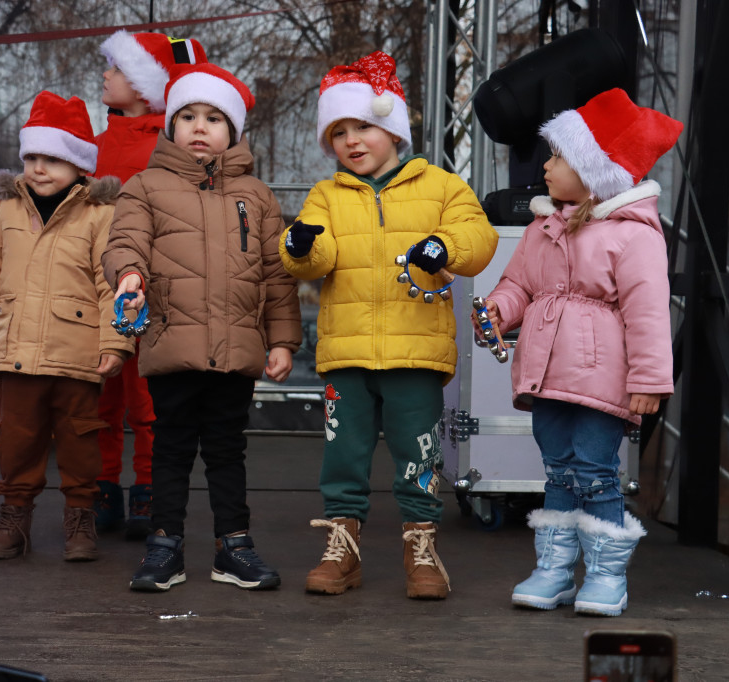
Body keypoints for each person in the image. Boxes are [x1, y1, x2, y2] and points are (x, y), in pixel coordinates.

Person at [279, 51, 498, 599]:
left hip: (415, 352)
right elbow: (311, 258)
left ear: (394, 130)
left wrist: (443, 244)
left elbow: (479, 237)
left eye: (365, 127)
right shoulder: (327, 194)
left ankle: (422, 552)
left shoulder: (442, 186)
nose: (353, 141)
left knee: (418, 451)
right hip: (346, 354)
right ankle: (341, 549)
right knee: (342, 455)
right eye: (340, 132)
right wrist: (299, 245)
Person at [473, 88, 681, 616]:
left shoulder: (634, 236)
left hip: (600, 380)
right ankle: (555, 569)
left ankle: (607, 576)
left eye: (560, 156)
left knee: (595, 470)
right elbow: (519, 284)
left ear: (598, 169)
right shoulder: (544, 227)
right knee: (559, 470)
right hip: (546, 376)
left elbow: (649, 312)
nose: (546, 165)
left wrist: (649, 382)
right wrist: (500, 307)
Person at [103, 62, 302, 592]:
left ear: (232, 131)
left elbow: (276, 274)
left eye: (213, 117)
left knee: (226, 450)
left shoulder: (256, 196)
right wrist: (128, 276)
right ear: (169, 125)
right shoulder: (144, 187)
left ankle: (233, 547)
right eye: (187, 115)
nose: (198, 126)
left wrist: (282, 340)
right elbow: (125, 242)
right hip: (172, 341)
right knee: (169, 448)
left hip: (236, 349)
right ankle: (163, 547)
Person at [0, 90, 133, 562]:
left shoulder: (100, 214)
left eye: (51, 158)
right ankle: (14, 517)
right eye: (31, 156)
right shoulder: (7, 210)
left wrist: (116, 341)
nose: (37, 167)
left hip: (76, 355)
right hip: (16, 349)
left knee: (79, 442)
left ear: (79, 165)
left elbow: (111, 283)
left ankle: (80, 517)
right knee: (16, 438)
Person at [93, 30, 208, 540]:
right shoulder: (89, 148)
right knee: (99, 394)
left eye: (115, 69)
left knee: (146, 397)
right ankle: (99, 487)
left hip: (152, 291)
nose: (105, 75)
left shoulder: (167, 148)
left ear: (142, 85)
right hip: (94, 291)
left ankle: (146, 488)